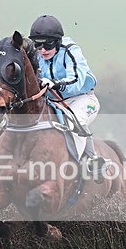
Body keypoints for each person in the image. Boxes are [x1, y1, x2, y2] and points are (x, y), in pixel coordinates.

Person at [29, 14, 106, 172]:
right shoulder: (36, 54)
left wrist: (56, 84)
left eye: (48, 45)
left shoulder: (70, 50)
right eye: (38, 45)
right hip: (52, 102)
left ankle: (87, 160)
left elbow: (77, 80)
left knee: (74, 120)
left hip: (82, 99)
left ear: (58, 42)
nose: (43, 50)